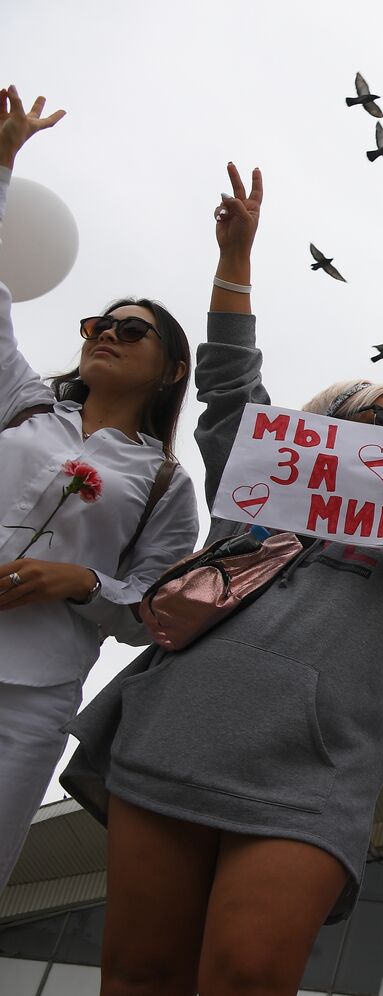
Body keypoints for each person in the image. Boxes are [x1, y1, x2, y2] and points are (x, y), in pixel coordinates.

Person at [59, 164, 383, 995]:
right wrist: (237, 256)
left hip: (310, 782)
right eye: (368, 422)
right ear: (317, 427)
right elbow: (225, 381)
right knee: (139, 973)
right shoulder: (258, 481)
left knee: (249, 974)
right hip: (178, 737)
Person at [0, 85, 200, 893]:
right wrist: (4, 163)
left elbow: (158, 608)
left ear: (172, 366)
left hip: (29, 697)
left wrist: (82, 582)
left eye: (132, 330)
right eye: (97, 325)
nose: (108, 335)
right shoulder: (21, 405)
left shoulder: (163, 481)